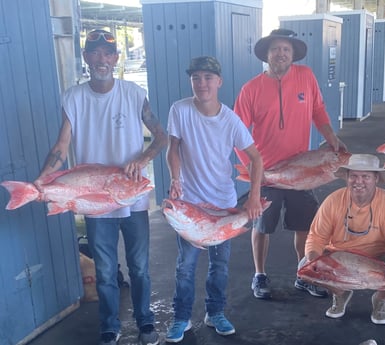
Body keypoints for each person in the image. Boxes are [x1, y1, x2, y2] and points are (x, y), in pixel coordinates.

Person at [35, 29, 168, 345]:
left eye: (108, 53)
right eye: (95, 52)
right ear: (86, 58)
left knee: (139, 268)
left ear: (116, 58)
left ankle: (145, 323)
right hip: (94, 201)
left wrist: (144, 156)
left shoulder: (134, 93)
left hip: (132, 199)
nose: (102, 59)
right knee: (106, 272)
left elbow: (161, 136)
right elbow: (62, 145)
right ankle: (110, 326)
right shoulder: (73, 98)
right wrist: (42, 180)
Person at [234, 28, 347, 300]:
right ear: (267, 54)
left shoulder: (306, 77)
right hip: (267, 173)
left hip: (301, 170)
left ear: (293, 53)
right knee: (262, 227)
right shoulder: (251, 89)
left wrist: (332, 137)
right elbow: (236, 132)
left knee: (305, 226)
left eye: (286, 49)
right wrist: (251, 169)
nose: (281, 54)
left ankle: (303, 274)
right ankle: (259, 274)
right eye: (275, 49)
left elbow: (318, 110)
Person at [164, 56, 263, 343]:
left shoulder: (230, 119)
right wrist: (175, 178)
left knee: (219, 265)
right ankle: (181, 318)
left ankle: (215, 312)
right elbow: (174, 148)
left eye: (208, 78)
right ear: (190, 81)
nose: (202, 83)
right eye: (196, 78)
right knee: (186, 266)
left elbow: (256, 159)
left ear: (219, 82)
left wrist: (253, 197)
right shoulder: (179, 110)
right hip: (191, 203)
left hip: (223, 205)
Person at [303, 154, 385, 324]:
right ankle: (340, 293)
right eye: (353, 176)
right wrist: (313, 262)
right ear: (347, 178)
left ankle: (380, 299)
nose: (358, 181)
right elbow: (316, 237)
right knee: (305, 269)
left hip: (378, 257)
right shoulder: (333, 201)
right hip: (339, 257)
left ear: (376, 178)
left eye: (365, 176)